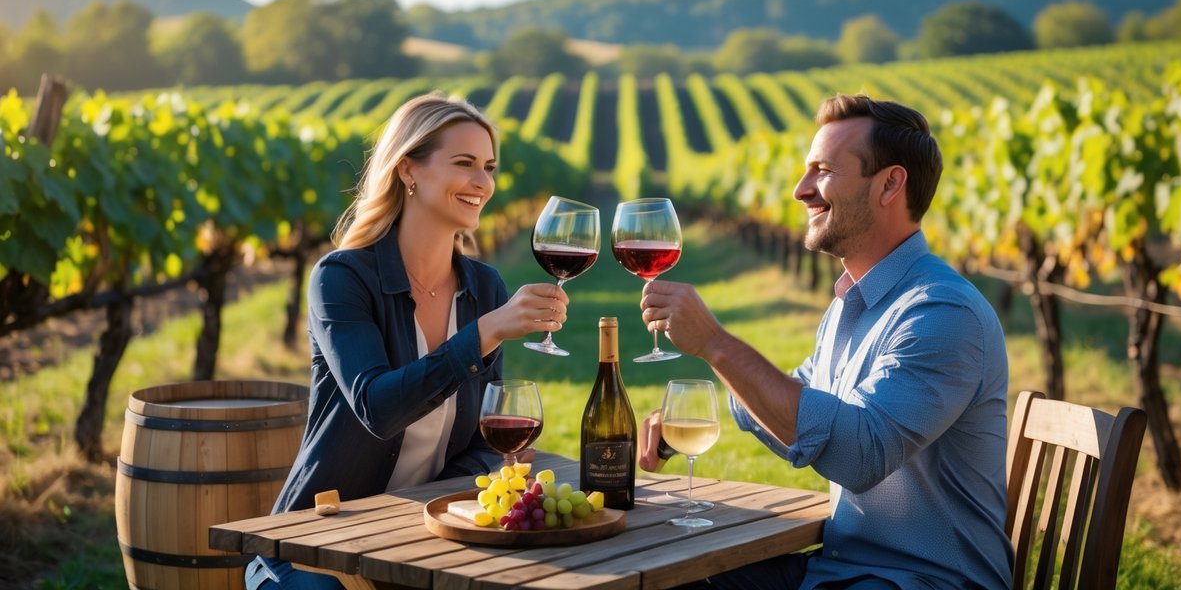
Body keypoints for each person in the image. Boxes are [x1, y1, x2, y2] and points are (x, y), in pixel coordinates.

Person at [639, 94, 1013, 590]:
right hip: (845, 569)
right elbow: (800, 409)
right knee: (672, 578)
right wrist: (686, 421)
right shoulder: (853, 304)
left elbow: (859, 456)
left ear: (889, 184)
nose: (800, 190)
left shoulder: (941, 312)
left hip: (922, 581)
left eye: (822, 170)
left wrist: (716, 344)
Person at [246, 92, 568, 590]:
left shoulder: (483, 288)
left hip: (421, 541)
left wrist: (455, 501)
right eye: (464, 163)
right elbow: (378, 408)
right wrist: (485, 332)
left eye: (489, 167)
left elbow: (487, 436)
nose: (483, 183)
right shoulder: (341, 279)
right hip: (316, 545)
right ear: (408, 171)